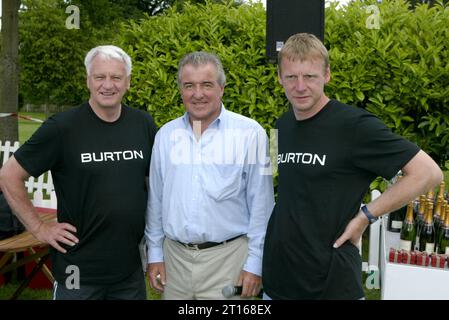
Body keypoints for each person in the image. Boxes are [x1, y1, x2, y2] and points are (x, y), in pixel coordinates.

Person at [262, 33, 443, 300]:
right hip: (278, 281)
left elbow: (428, 173)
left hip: (330, 284)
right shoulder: (281, 125)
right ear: (279, 78)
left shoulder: (355, 126)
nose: (300, 86)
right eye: (291, 77)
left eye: (310, 76)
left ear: (327, 75)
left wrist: (365, 216)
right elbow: (287, 188)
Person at [0, 45, 157, 300]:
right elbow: (9, 175)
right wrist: (39, 228)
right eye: (100, 77)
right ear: (88, 80)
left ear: (127, 82)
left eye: (116, 77)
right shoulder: (63, 128)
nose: (108, 85)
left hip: (129, 272)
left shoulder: (143, 124)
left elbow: (156, 186)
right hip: (78, 274)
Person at [145, 51, 274, 299]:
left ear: (222, 88)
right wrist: (155, 255)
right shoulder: (165, 135)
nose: (198, 94)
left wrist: (255, 265)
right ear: (180, 90)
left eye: (207, 84)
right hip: (175, 262)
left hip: (228, 261)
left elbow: (262, 206)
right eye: (189, 85)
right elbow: (156, 201)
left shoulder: (251, 134)